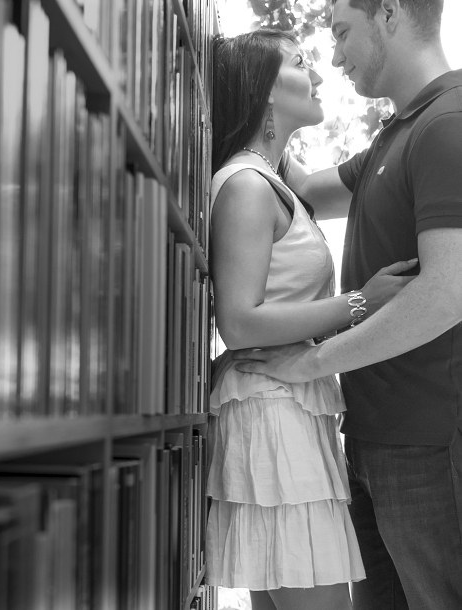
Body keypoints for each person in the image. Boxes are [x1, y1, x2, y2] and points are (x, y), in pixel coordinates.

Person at [232, 1, 462, 609]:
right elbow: (301, 187)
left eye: (339, 32)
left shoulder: (449, 124)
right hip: (370, 445)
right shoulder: (396, 133)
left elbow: (449, 293)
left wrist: (309, 363)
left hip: (432, 448)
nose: (331, 54)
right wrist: (250, 95)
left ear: (388, 14)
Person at [205, 28, 418, 610]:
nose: (321, 72)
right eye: (301, 62)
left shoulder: (270, 178)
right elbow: (240, 321)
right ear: (265, 90)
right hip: (276, 410)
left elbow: (321, 185)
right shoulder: (248, 187)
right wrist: (360, 302)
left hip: (285, 406)